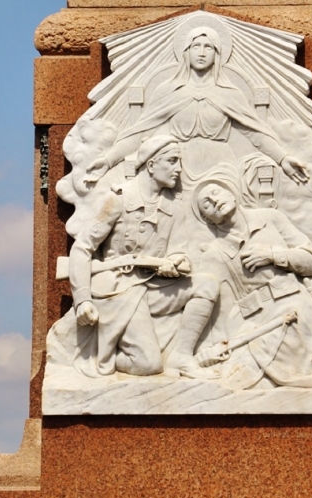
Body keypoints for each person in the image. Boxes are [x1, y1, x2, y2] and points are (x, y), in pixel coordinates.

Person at [67, 135, 219, 378]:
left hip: (153, 287)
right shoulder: (118, 199)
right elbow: (82, 247)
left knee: (207, 284)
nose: (178, 169)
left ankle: (182, 356)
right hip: (119, 290)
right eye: (172, 161)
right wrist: (83, 299)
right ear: (151, 165)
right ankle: (96, 356)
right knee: (147, 365)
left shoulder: (173, 206)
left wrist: (178, 264)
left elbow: (180, 252)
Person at [86, 27, 308, 189]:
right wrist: (108, 160)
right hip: (178, 169)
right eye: (196, 46)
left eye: (208, 47)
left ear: (217, 54)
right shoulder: (168, 90)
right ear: (186, 52)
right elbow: (141, 132)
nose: (201, 52)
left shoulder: (229, 93)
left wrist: (283, 158)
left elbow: (256, 134)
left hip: (221, 166)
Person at [193, 180, 312, 387]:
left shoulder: (271, 219)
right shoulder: (214, 255)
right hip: (249, 324)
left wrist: (272, 255)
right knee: (234, 380)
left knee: (263, 377)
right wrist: (219, 349)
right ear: (207, 219)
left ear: (232, 194)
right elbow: (219, 313)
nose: (214, 200)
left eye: (216, 192)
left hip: (293, 310)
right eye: (206, 204)